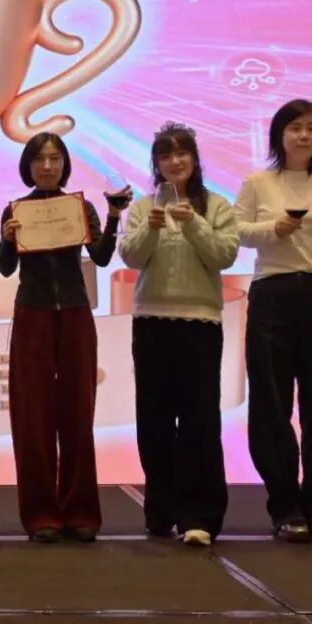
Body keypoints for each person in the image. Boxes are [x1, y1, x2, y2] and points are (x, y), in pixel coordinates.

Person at [0, 132, 129, 543]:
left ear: (65, 164)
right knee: (32, 415)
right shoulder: (15, 210)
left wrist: (113, 216)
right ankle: (40, 514)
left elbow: (102, 257)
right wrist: (6, 241)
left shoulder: (80, 207)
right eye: (39, 159)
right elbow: (4, 268)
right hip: (32, 312)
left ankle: (80, 510)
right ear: (28, 166)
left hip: (74, 311)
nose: (48, 166)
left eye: (55, 158)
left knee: (78, 411)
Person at [234, 99, 312, 544]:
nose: (304, 136)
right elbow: (238, 232)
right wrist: (274, 230)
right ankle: (284, 504)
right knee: (271, 402)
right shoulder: (258, 182)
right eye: (295, 128)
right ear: (279, 134)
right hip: (272, 295)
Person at [118, 122, 238, 546]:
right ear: (156, 164)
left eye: (182, 153)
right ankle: (161, 509)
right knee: (153, 420)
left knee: (199, 420)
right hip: (151, 321)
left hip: (200, 322)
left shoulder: (216, 206)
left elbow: (225, 255)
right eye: (165, 156)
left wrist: (194, 225)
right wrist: (150, 228)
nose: (175, 161)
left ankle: (199, 515)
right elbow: (131, 256)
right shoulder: (142, 207)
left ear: (195, 158)